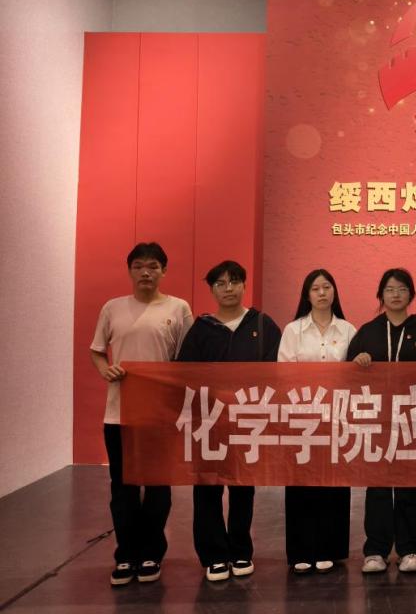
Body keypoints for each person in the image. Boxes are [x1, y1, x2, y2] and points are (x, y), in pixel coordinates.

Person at [90, 242, 193, 586]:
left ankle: (152, 552)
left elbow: (188, 360)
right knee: (122, 486)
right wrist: (105, 370)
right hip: (119, 413)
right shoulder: (112, 308)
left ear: (164, 271)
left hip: (161, 414)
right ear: (130, 271)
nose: (145, 272)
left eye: (153, 266)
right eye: (138, 266)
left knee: (158, 485)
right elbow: (97, 351)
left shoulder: (179, 308)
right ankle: (125, 555)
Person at [176, 260, 281, 582]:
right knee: (207, 487)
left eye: (234, 281)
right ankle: (213, 555)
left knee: (243, 488)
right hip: (209, 422)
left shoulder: (262, 324)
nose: (228, 288)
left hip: (248, 419)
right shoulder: (201, 328)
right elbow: (184, 373)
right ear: (212, 290)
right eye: (220, 283)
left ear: (244, 285)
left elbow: (277, 371)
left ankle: (240, 549)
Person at [349, 268, 416, 575]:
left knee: (407, 486)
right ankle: (375, 550)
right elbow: (348, 372)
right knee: (377, 487)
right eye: (389, 289)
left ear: (411, 294)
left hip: (411, 419)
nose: (396, 294)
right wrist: (357, 361)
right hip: (376, 420)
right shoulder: (368, 331)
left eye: (402, 289)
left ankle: (409, 549)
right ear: (381, 295)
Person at [277, 269, 359, 574]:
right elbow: (284, 373)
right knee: (301, 484)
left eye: (327, 287)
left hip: (337, 419)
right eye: (315, 288)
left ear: (334, 292)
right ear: (307, 295)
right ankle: (301, 549)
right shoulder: (293, 330)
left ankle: (329, 548)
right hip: (302, 419)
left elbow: (355, 376)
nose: (322, 293)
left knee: (333, 485)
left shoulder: (348, 330)